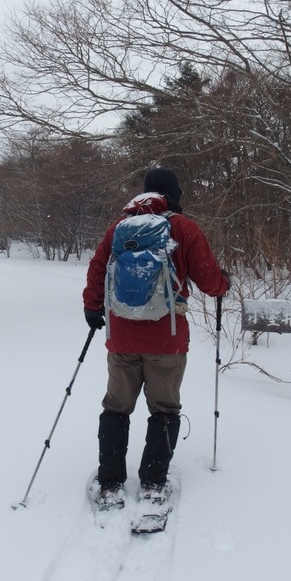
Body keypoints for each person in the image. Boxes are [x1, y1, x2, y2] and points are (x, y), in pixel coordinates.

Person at [83, 167, 230, 507]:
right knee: (164, 408)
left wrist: (93, 310)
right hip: (168, 337)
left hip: (121, 336)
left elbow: (97, 269)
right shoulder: (183, 228)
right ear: (174, 195)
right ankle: (152, 481)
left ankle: (110, 483)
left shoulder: (119, 228)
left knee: (116, 407)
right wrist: (225, 283)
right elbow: (209, 280)